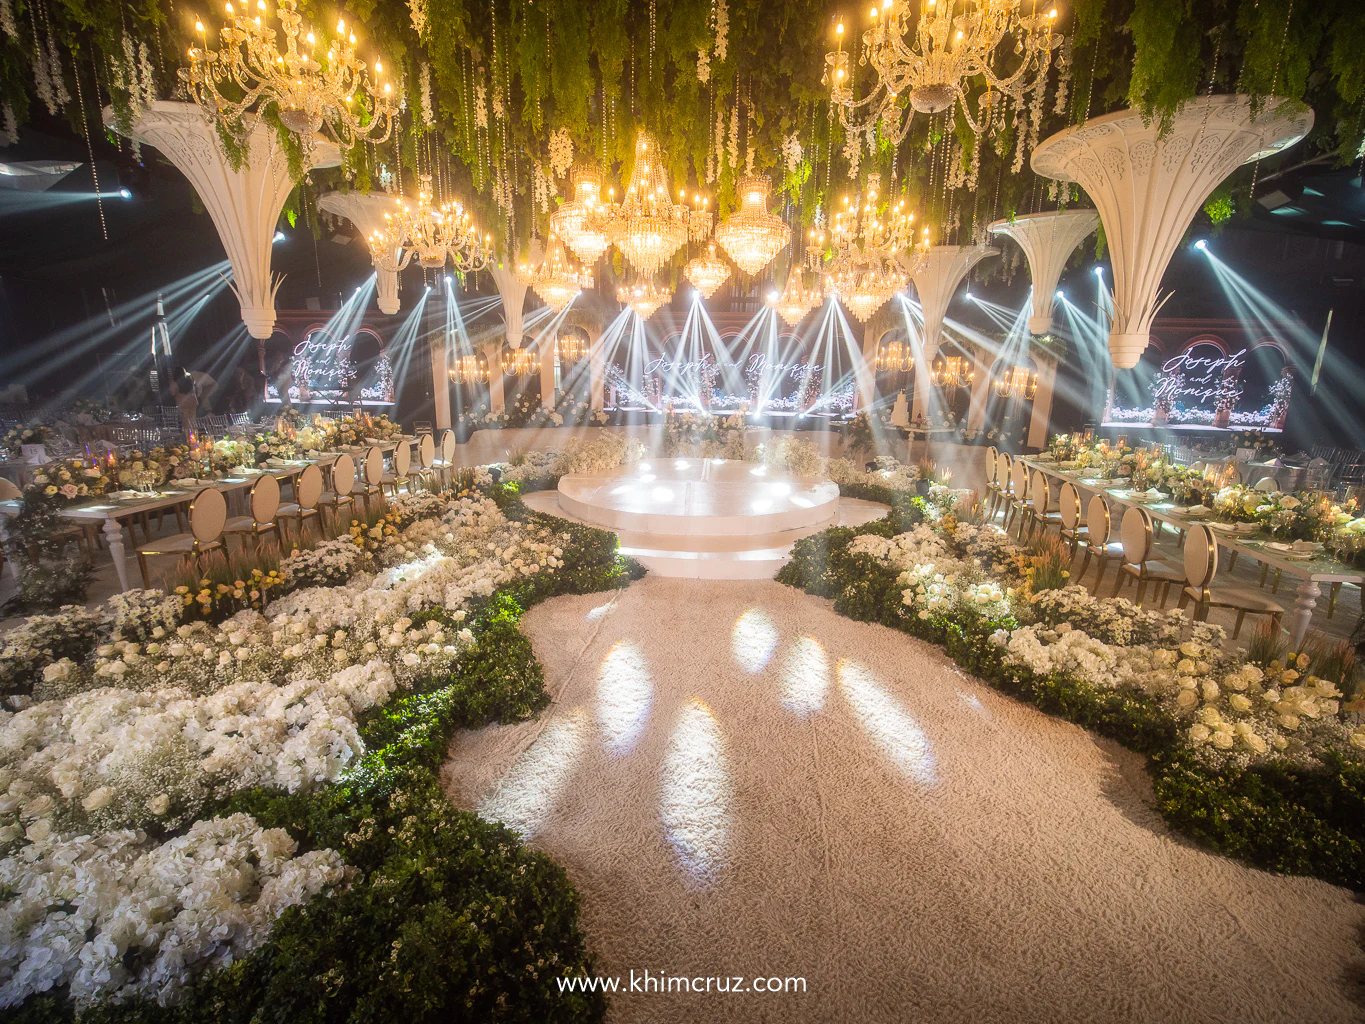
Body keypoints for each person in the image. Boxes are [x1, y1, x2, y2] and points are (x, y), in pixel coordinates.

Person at [171, 366, 199, 431]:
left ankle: (188, 438)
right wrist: (187, 374)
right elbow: (194, 388)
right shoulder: (191, 379)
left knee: (185, 422)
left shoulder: (175, 382)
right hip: (192, 400)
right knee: (193, 421)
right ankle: (194, 437)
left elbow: (173, 393)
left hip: (182, 402)